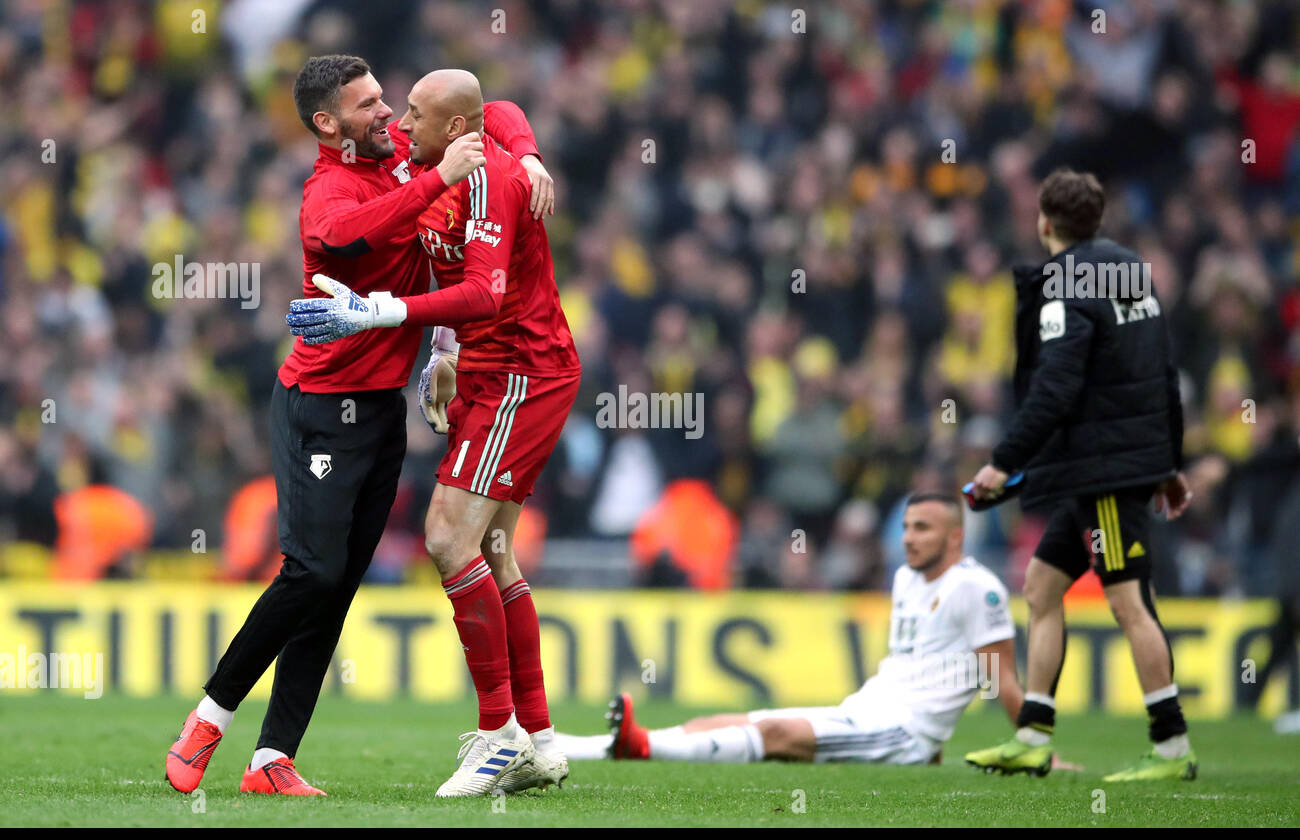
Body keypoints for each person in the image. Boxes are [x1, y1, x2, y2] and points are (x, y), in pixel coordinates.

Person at [165, 55, 550, 796]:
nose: (388, 115)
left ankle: (272, 759)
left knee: (336, 584)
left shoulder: (400, 152)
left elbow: (490, 106)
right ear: (325, 123)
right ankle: (210, 715)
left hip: (378, 411)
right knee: (310, 569)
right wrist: (439, 180)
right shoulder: (328, 191)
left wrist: (526, 156)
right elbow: (346, 238)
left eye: (387, 101)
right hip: (317, 407)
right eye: (369, 105)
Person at [286, 70, 581, 796]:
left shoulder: (487, 179)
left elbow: (485, 292)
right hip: (485, 369)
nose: (398, 121)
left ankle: (498, 734)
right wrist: (445, 353)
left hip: (522, 370)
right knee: (494, 550)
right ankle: (540, 739)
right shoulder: (424, 165)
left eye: (412, 112)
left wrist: (383, 313)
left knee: (448, 538)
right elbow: (503, 105)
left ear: (454, 130)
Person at [965, 168, 1196, 781]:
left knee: (1129, 603)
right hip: (1113, 461)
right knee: (1041, 586)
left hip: (1104, 471)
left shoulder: (1065, 286)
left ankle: (1171, 747)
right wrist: (1168, 463)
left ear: (1044, 221)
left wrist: (1003, 462)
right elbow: (1163, 374)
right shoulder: (1131, 271)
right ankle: (1033, 735)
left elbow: (1055, 389)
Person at [555, 494, 1027, 767]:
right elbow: (921, 668)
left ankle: (642, 745)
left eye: (923, 528)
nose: (908, 537)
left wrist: (1033, 744)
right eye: (906, 526)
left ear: (955, 537)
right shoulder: (905, 579)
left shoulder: (977, 588)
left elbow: (1001, 676)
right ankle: (577, 747)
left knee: (777, 733)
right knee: (732, 721)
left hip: (901, 733)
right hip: (867, 708)